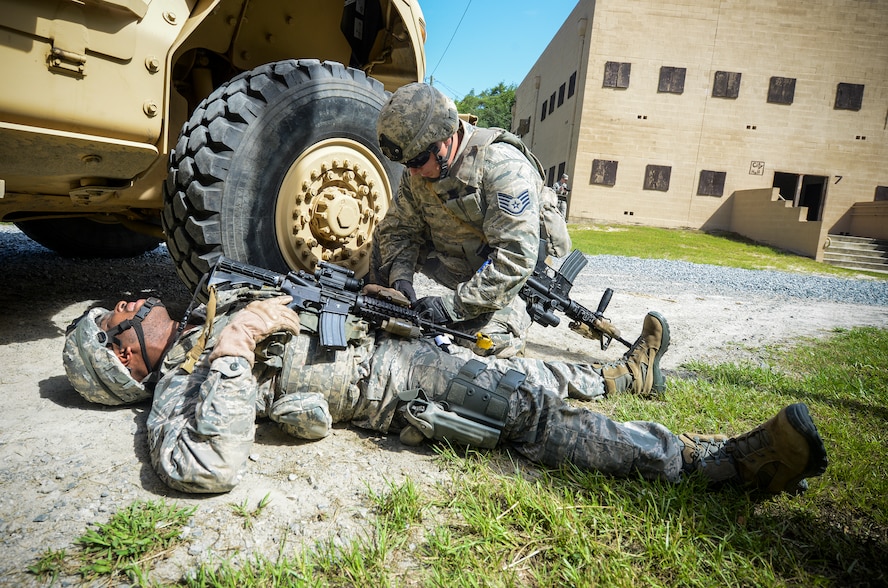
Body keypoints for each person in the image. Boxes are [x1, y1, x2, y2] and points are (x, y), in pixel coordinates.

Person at [62, 284, 828, 496]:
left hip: (391, 341)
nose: (128, 302)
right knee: (528, 411)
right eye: (116, 319)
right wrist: (237, 343)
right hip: (391, 384)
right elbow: (209, 465)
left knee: (521, 372)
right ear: (121, 360)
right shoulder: (179, 387)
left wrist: (362, 299)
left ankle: (623, 375)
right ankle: (713, 464)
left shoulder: (203, 308)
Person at [372, 82, 572, 359]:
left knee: (480, 342)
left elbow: (515, 260)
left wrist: (449, 307)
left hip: (507, 280)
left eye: (417, 161)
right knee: (380, 240)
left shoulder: (503, 169)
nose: (413, 173)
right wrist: (400, 281)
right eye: (407, 164)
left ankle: (512, 325)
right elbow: (399, 230)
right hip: (458, 261)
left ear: (444, 139)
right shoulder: (419, 169)